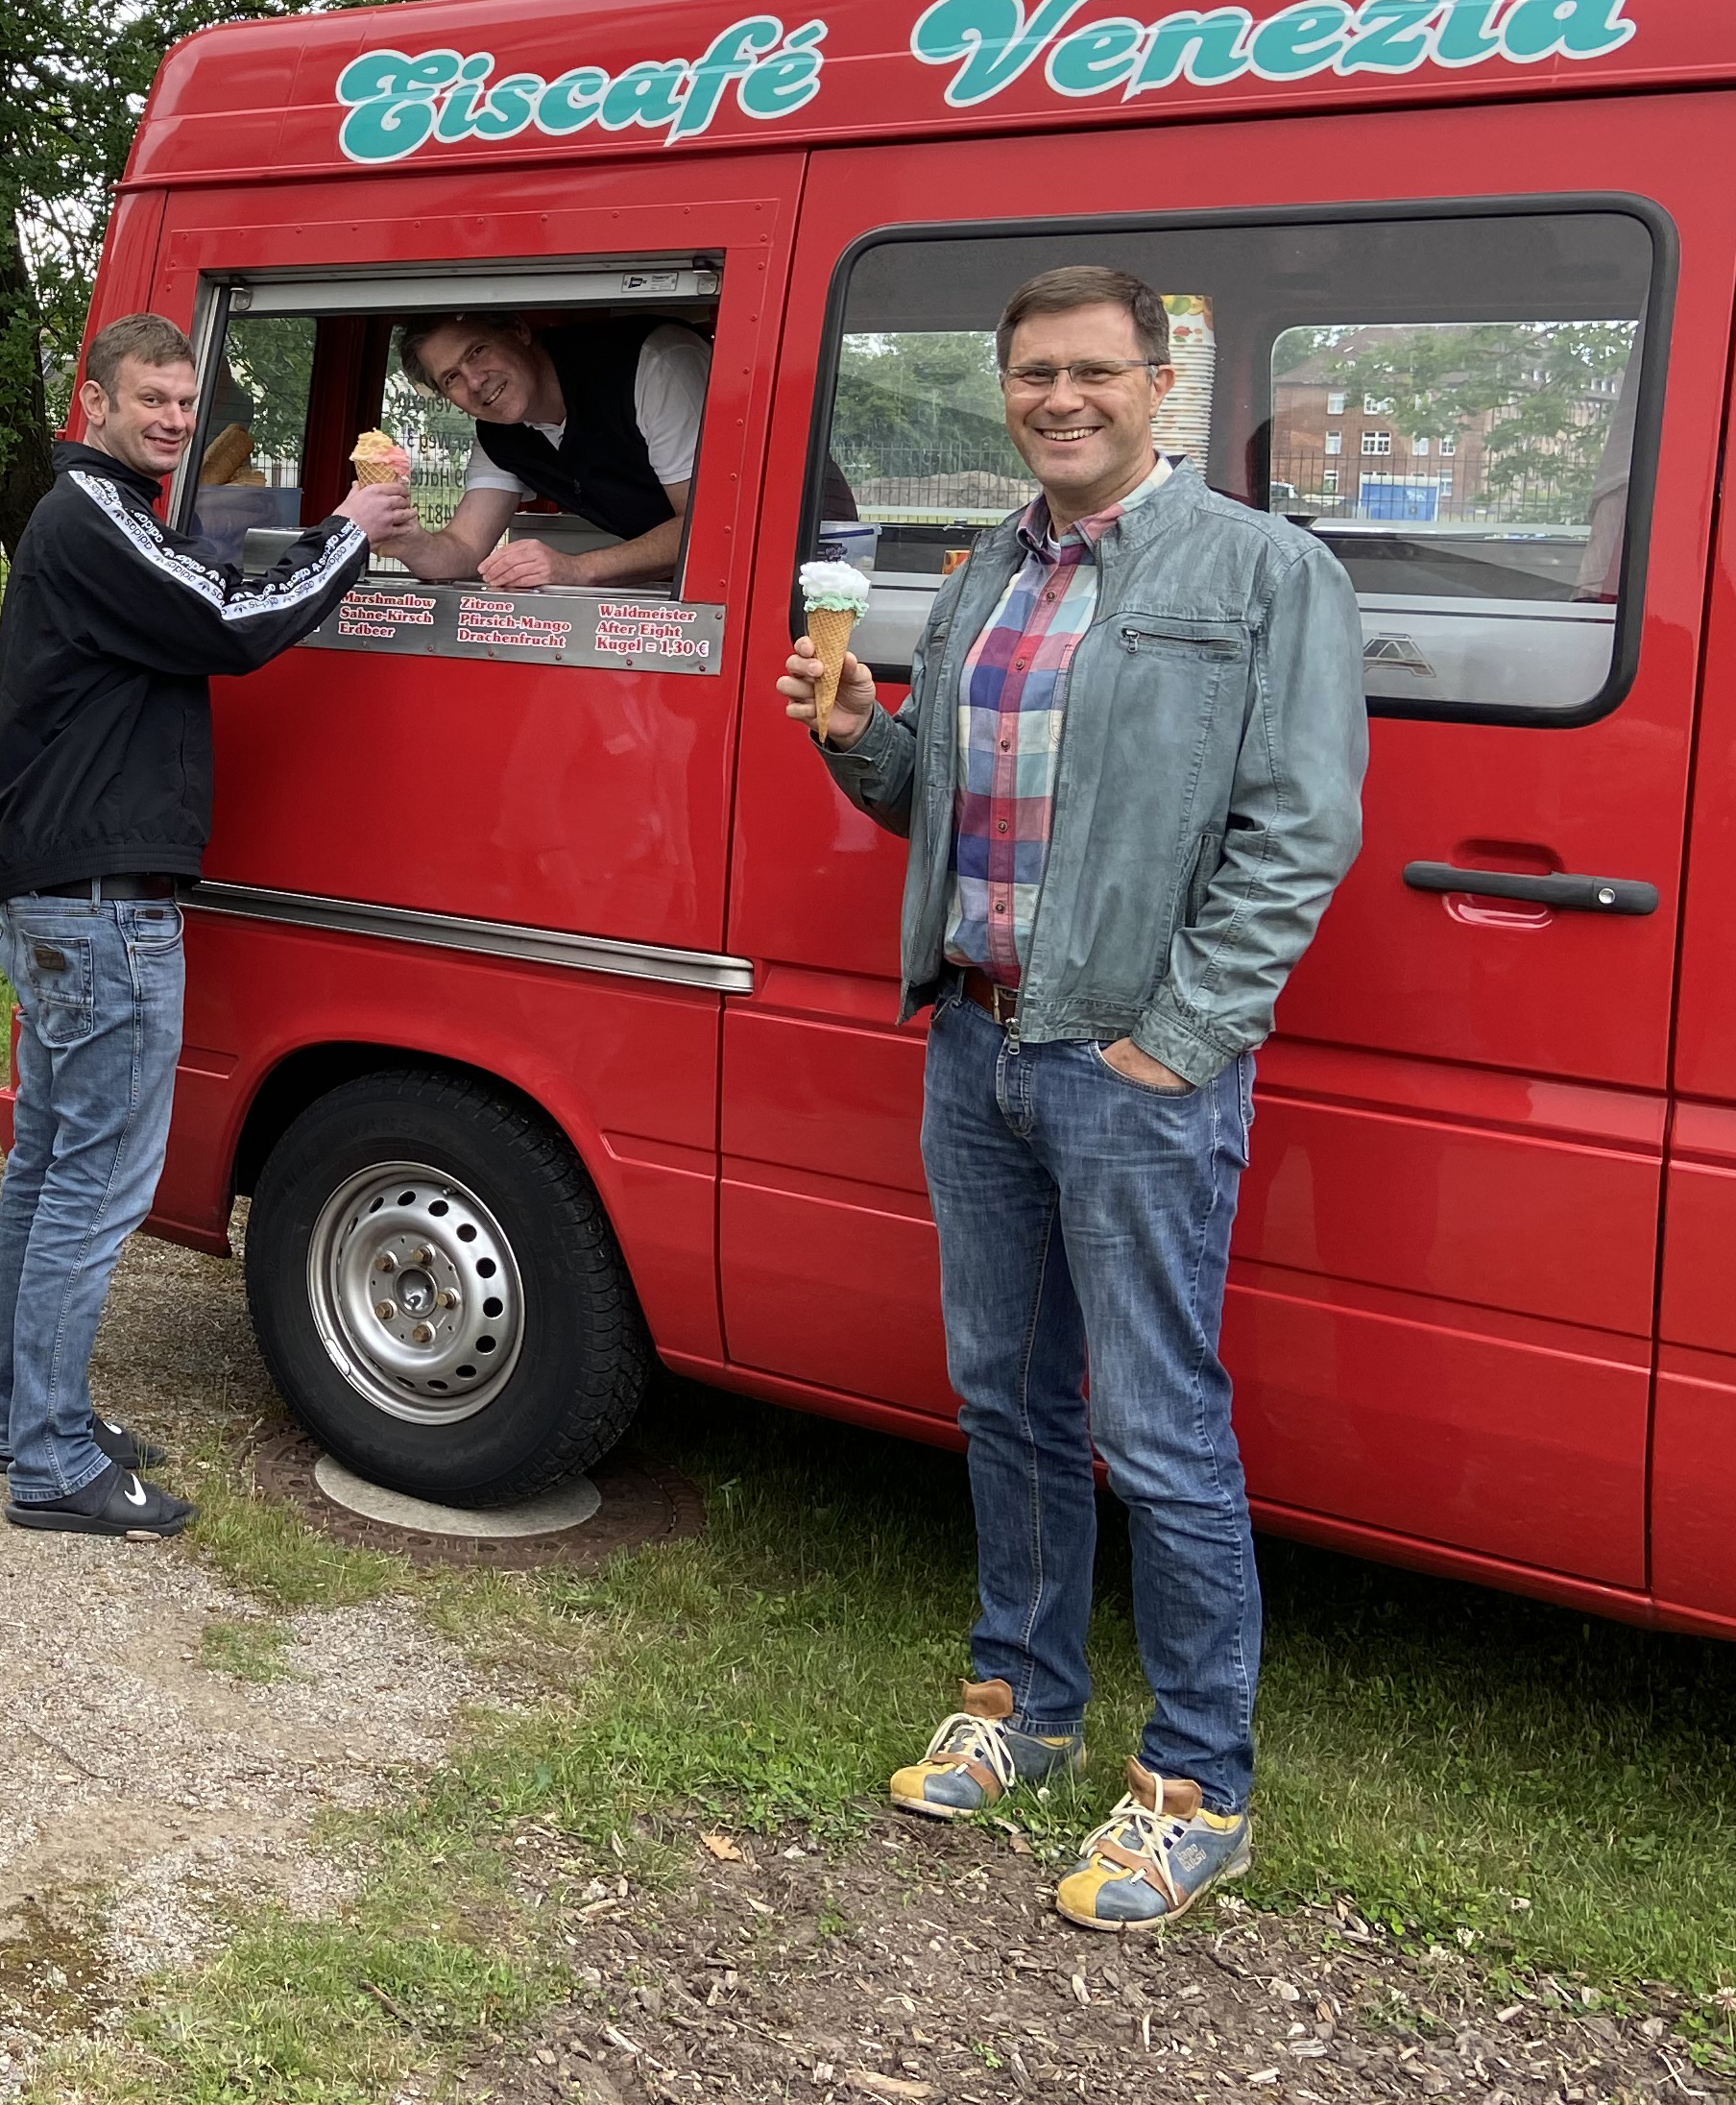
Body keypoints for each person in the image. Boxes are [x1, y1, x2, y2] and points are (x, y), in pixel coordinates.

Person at [774, 264, 1366, 1933]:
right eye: (1034, 372)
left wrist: (1178, 1037)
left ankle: (1196, 1783)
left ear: (1159, 380)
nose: (1061, 398)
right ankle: (1022, 1703)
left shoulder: (1262, 571)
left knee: (1155, 1426)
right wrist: (858, 732)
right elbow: (945, 805)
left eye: (1094, 369)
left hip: (1127, 1063)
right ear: (1005, 387)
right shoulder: (988, 567)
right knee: (1007, 1397)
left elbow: (1299, 828)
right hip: (975, 1044)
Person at [0, 313, 418, 1536]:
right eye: (151, 398)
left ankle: (26, 1415)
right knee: (92, 1187)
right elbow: (229, 618)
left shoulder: (104, 512)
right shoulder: (95, 510)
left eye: (185, 400)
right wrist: (348, 530)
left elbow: (199, 596)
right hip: (103, 910)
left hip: (63, 900)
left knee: (47, 1170)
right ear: (93, 401)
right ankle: (50, 1460)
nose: (173, 418)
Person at [385, 312, 711, 590]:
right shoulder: (498, 433)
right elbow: (466, 548)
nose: (474, 382)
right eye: (451, 377)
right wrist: (408, 541)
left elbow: (705, 526)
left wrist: (577, 569)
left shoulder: (653, 365)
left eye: (477, 352)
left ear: (519, 331)